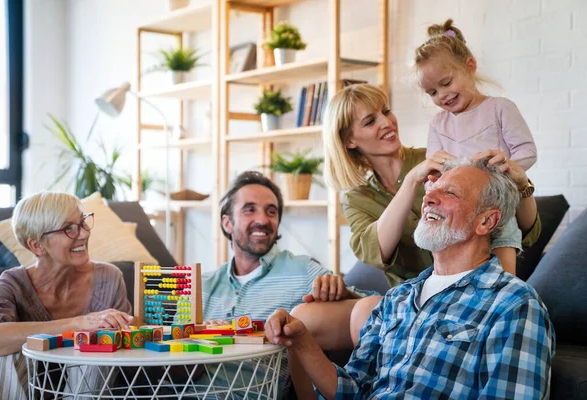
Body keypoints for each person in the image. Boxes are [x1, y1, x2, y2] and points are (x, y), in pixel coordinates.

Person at [288, 82, 541, 399]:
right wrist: (411, 183)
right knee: (302, 318)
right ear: (349, 140)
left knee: (367, 309)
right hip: (409, 293)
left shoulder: (439, 159)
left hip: (467, 288)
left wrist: (521, 182)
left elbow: (509, 216)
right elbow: (373, 251)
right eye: (370, 121)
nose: (386, 122)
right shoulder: (359, 196)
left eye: (385, 112)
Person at [266, 159, 555, 399]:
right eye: (431, 190)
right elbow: (352, 390)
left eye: (450, 193)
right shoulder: (398, 298)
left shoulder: (514, 305)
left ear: (486, 221)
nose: (428, 198)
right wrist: (301, 339)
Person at [199, 171, 375, 396]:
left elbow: (378, 307)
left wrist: (343, 291)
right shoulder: (201, 286)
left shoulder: (302, 270)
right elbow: (171, 363)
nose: (263, 220)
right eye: (249, 209)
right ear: (227, 223)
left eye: (271, 211)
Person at [415, 19, 537, 274]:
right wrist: (435, 181)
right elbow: (431, 174)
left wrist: (506, 163)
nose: (442, 96)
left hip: (498, 208)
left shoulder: (500, 108)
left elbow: (527, 151)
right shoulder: (438, 124)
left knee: (502, 280)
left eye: (446, 83)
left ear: (469, 67)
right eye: (432, 92)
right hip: (456, 218)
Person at [0, 191, 135, 399]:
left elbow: (127, 352)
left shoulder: (109, 277)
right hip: (27, 390)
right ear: (37, 245)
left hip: (94, 389)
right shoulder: (12, 284)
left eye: (83, 223)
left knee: (95, 344)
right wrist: (76, 324)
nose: (84, 234)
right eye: (69, 228)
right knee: (0, 355)